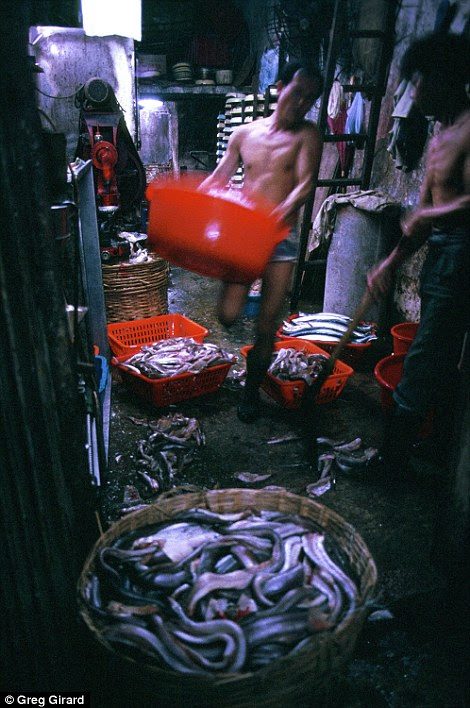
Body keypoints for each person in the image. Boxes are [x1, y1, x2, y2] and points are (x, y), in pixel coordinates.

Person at [367, 32, 470, 472]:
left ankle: (391, 461)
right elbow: (426, 213)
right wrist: (390, 263)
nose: (414, 92)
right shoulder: (437, 136)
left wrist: (429, 217)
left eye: (420, 81)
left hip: (463, 252)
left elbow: (456, 207)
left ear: (447, 79)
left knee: (427, 355)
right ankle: (437, 448)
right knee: (443, 357)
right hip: (442, 250)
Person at [199, 60, 324, 422]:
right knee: (227, 314)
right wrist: (188, 204)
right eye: (297, 93)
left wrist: (275, 216)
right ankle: (248, 373)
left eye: (310, 99)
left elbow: (304, 185)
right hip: (244, 235)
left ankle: (251, 391)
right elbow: (220, 177)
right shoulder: (244, 134)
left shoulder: (307, 135)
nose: (302, 104)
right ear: (281, 86)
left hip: (281, 238)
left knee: (267, 323)